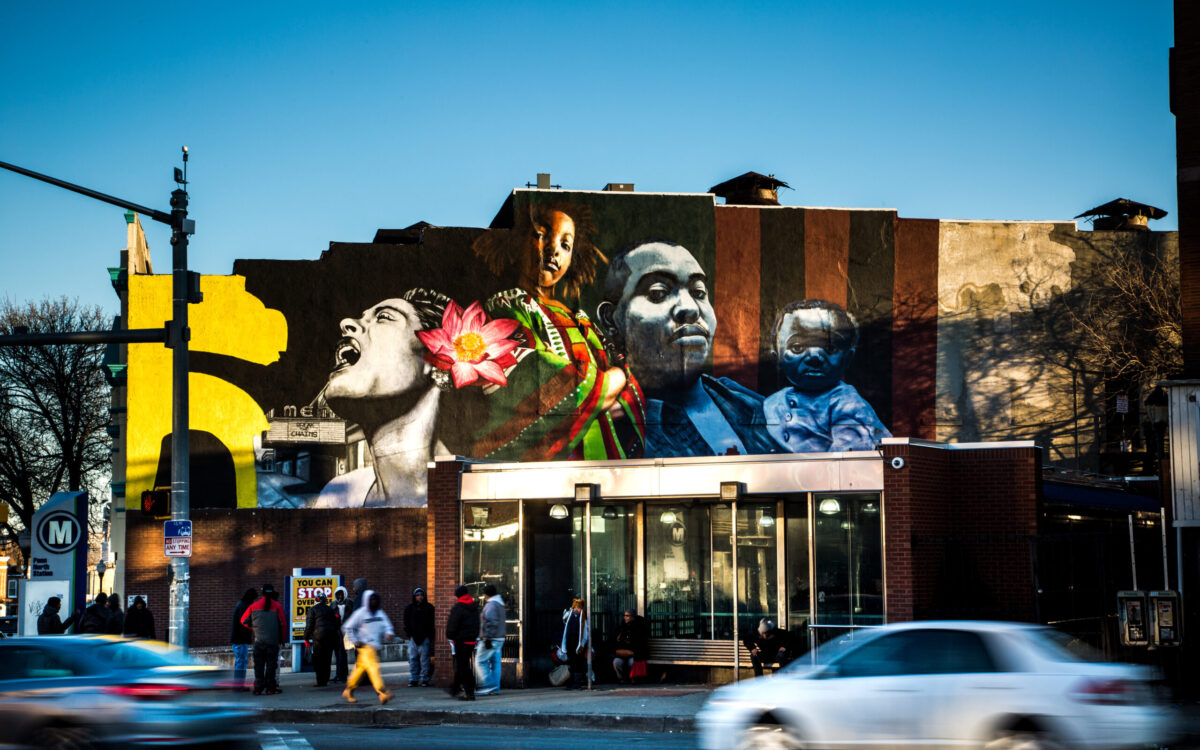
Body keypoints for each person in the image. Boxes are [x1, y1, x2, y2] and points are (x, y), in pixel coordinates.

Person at [469, 201, 646, 462]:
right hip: (550, 475)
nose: (554, 250)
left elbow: (627, 383)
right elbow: (541, 378)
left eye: (566, 245)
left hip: (609, 474)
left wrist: (612, 376)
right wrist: (610, 382)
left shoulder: (580, 319)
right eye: (541, 236)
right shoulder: (508, 307)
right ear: (518, 241)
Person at [597, 240, 781, 458]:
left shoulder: (753, 406)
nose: (690, 308)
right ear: (610, 320)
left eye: (699, 292)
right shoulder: (609, 429)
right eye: (658, 293)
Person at [314, 288, 458, 507]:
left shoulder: (472, 495)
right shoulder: (335, 498)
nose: (346, 323)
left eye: (384, 317)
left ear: (438, 360)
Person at [763, 300, 891, 452]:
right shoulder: (772, 402)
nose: (814, 356)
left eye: (830, 347)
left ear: (848, 358)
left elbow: (849, 456)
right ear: (777, 358)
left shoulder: (848, 404)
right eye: (797, 347)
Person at [341, 589, 395, 704]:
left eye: (375, 599)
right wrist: (355, 640)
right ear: (366, 600)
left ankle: (348, 690)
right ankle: (382, 692)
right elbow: (347, 627)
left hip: (374, 647)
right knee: (374, 669)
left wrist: (388, 633)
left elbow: (387, 625)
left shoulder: (380, 613)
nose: (373, 601)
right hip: (365, 646)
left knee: (359, 671)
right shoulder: (360, 613)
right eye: (371, 599)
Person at [240, 584, 288, 695]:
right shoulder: (277, 606)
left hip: (259, 642)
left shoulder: (253, 606)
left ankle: (258, 688)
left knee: (259, 666)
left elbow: (243, 620)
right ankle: (271, 688)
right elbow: (283, 625)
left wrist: (254, 627)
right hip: (273, 642)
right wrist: (283, 640)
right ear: (272, 592)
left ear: (262, 592)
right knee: (271, 666)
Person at [444, 584, 479, 701]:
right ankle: (456, 688)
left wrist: (451, 636)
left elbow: (452, 625)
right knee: (464, 666)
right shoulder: (474, 607)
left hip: (461, 641)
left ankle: (469, 693)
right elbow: (477, 624)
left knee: (463, 667)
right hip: (471, 641)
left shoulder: (458, 608)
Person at [305, 593, 340, 687]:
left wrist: (306, 638)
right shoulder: (330, 610)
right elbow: (336, 624)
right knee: (327, 659)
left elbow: (309, 625)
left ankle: (320, 681)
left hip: (318, 637)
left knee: (318, 659)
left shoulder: (313, 609)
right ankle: (325, 680)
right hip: (330, 637)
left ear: (316, 600)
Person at [475, 584, 505, 696]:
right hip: (499, 638)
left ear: (487, 594)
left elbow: (491, 622)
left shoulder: (491, 605)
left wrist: (487, 638)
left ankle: (487, 685)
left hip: (491, 639)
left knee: (479, 661)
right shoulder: (500, 604)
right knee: (495, 664)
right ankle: (495, 689)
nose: (483, 595)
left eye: (484, 593)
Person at [402, 587, 435, 687]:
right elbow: (406, 623)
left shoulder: (429, 608)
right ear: (414, 597)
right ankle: (414, 679)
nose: (420, 597)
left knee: (424, 659)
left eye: (421, 595)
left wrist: (430, 636)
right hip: (413, 637)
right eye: (417, 595)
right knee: (413, 659)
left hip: (425, 637)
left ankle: (425, 679)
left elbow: (432, 623)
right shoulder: (409, 609)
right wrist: (409, 634)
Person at [611, 610, 649, 684]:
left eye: (627, 616)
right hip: (622, 652)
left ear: (632, 617)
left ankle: (633, 678)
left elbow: (640, 643)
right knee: (616, 662)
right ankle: (621, 679)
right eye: (624, 615)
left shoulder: (639, 627)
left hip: (635, 653)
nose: (625, 617)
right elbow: (617, 640)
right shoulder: (622, 627)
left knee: (632, 662)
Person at [560, 598, 590, 689]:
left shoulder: (583, 618)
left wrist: (582, 644)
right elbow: (564, 619)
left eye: (578, 608)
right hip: (570, 642)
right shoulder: (570, 616)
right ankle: (571, 682)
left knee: (578, 662)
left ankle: (577, 682)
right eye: (575, 607)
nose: (576, 609)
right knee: (571, 662)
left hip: (578, 644)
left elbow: (585, 633)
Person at [231, 588, 258, 689]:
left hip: (238, 639)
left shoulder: (241, 604)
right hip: (240, 639)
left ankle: (239, 684)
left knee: (241, 661)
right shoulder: (244, 606)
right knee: (241, 662)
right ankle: (239, 685)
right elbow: (245, 622)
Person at [331, 586, 353, 683]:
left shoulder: (350, 603)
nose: (340, 596)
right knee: (338, 653)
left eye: (342, 594)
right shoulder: (333, 604)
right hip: (336, 632)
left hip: (347, 632)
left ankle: (342, 675)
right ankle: (339, 674)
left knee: (342, 654)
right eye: (338, 594)